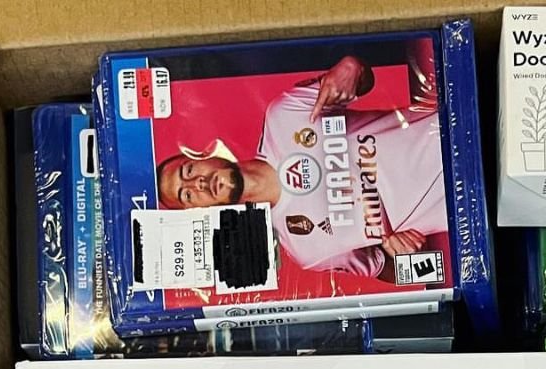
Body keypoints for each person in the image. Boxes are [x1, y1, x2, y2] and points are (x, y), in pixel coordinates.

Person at [156, 51, 447, 282]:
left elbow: (362, 78)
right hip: (463, 203)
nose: (198, 184)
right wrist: (407, 257)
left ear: (203, 156)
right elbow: (419, 272)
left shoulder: (282, 116)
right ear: (202, 212)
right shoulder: (306, 250)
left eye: (188, 171)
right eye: (187, 195)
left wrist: (351, 67)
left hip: (452, 127)